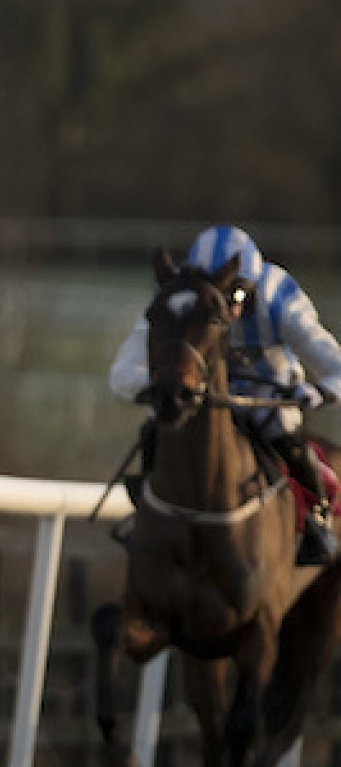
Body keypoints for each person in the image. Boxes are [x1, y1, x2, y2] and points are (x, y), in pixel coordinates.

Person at [108, 225, 341, 566]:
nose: (229, 309)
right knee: (154, 432)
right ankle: (146, 515)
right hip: (204, 397)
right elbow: (122, 373)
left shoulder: (280, 296)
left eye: (238, 296)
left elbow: (334, 365)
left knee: (288, 441)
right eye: (217, 294)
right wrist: (158, 386)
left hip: (267, 394)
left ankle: (315, 520)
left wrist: (319, 391)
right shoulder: (180, 298)